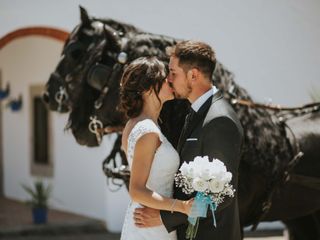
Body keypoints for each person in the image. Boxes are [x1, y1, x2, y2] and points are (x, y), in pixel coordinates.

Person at [133, 40, 244, 240]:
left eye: (173, 73)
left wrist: (165, 218)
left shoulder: (219, 120)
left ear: (193, 75)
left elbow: (223, 195)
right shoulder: (198, 111)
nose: (168, 79)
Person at [119, 56, 193, 240]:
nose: (170, 81)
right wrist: (182, 206)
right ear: (147, 89)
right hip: (148, 226)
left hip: (151, 220)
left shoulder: (133, 124)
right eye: (164, 78)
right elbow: (136, 189)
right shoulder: (147, 131)